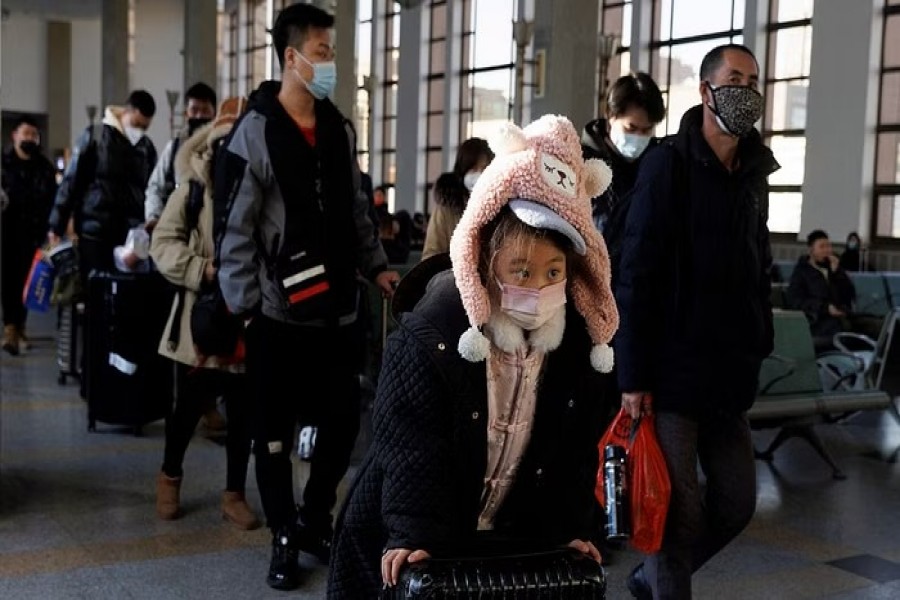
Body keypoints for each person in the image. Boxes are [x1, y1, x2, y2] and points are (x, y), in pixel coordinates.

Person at [327, 115, 620, 599]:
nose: (539, 287)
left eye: (554, 272)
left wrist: (570, 526)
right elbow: (409, 443)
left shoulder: (574, 347)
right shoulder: (433, 332)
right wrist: (413, 532)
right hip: (421, 530)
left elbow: (571, 448)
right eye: (521, 271)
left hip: (509, 534)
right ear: (485, 258)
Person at [214, 3, 399, 591]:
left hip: (339, 309)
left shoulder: (339, 130)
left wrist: (377, 269)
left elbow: (355, 211)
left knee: (343, 424)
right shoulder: (255, 132)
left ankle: (315, 517)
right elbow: (235, 230)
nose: (330, 64)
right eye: (321, 53)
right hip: (277, 312)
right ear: (291, 58)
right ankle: (284, 536)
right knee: (271, 432)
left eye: (333, 53)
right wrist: (244, 308)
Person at [615, 44, 779, 599]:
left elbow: (760, 265)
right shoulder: (668, 164)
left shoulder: (754, 173)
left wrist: (761, 339)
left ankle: (650, 579)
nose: (747, 90)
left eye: (754, 80)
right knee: (676, 512)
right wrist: (633, 375)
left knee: (736, 503)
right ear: (707, 91)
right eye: (735, 78)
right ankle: (663, 580)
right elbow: (635, 272)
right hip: (670, 374)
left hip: (728, 376)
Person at [148, 97, 259, 530]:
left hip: (246, 318)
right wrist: (202, 269)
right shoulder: (192, 188)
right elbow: (163, 243)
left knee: (243, 414)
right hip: (201, 319)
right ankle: (169, 477)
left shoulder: (258, 184)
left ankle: (234, 494)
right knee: (187, 410)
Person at [47, 89, 158, 397]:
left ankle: (117, 377)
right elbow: (72, 181)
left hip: (130, 240)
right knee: (96, 308)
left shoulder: (145, 146)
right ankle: (91, 377)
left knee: (123, 309)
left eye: (146, 126)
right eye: (138, 122)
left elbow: (152, 188)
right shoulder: (95, 136)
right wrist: (57, 223)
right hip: (96, 235)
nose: (141, 130)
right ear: (127, 111)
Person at [1, 116, 58, 355]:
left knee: (29, 281)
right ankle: (10, 329)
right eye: (26, 134)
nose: (30, 139)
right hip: (7, 231)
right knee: (8, 280)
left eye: (34, 135)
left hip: (34, 234)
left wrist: (54, 229)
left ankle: (21, 327)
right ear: (15, 135)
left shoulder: (44, 167)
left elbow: (55, 200)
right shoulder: (3, 164)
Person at [582, 72, 666, 232]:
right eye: (631, 128)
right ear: (610, 116)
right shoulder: (582, 162)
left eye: (647, 130)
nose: (638, 137)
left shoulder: (658, 165)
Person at [144, 82, 217, 232]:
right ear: (186, 114)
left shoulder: (222, 148)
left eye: (205, 111)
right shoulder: (174, 148)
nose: (199, 116)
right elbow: (155, 187)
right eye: (194, 110)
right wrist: (154, 217)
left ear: (214, 113)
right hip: (176, 230)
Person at [421, 137, 493, 260]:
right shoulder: (446, 209)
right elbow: (431, 255)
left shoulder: (501, 208)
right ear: (462, 171)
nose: (479, 175)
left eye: (484, 169)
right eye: (473, 169)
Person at [788, 230, 856, 352]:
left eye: (829, 246)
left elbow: (850, 294)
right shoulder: (802, 272)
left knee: (881, 327)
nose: (827, 250)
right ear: (811, 250)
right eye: (822, 247)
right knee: (839, 333)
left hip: (843, 316)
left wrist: (837, 273)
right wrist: (825, 308)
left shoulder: (834, 269)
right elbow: (795, 300)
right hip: (818, 319)